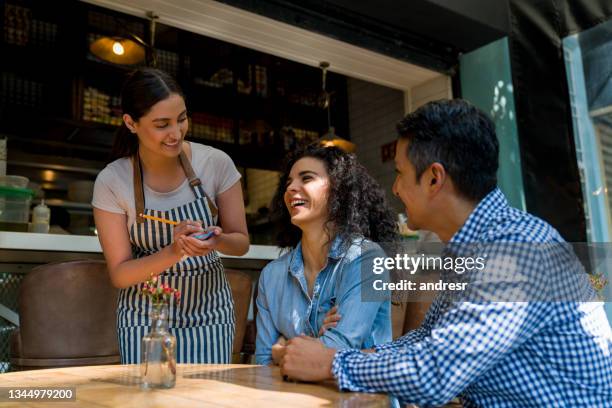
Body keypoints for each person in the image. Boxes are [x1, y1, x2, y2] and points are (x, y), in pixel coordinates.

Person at [278, 99, 612, 406]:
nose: (394, 188)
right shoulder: (475, 246)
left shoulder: (516, 248)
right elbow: (427, 337)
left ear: (434, 179)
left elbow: (435, 373)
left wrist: (330, 362)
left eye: (400, 173)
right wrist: (331, 353)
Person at [92, 68, 249, 364]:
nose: (175, 133)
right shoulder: (112, 181)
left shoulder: (216, 163)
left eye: (181, 119)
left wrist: (215, 240)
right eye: (162, 124)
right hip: (144, 316)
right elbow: (120, 274)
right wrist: (174, 251)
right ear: (131, 123)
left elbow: (240, 243)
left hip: (210, 313)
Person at [255, 144, 397, 365]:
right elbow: (263, 362)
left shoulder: (366, 259)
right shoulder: (271, 276)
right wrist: (316, 342)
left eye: (307, 178)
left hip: (361, 398)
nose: (292, 187)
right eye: (288, 182)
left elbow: (339, 352)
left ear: (338, 189)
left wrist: (282, 350)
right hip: (288, 397)